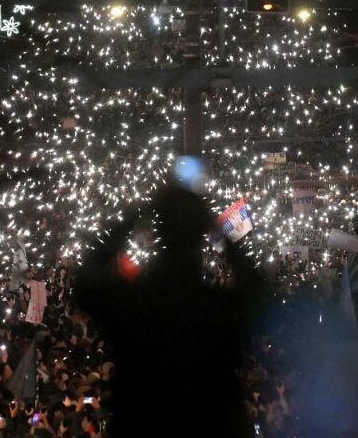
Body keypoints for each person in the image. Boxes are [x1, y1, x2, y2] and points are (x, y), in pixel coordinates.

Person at [74, 184, 265, 437]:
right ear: (200, 233)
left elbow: (85, 280)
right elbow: (260, 291)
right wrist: (214, 226)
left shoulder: (133, 303)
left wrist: (134, 215)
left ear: (159, 229)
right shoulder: (217, 306)